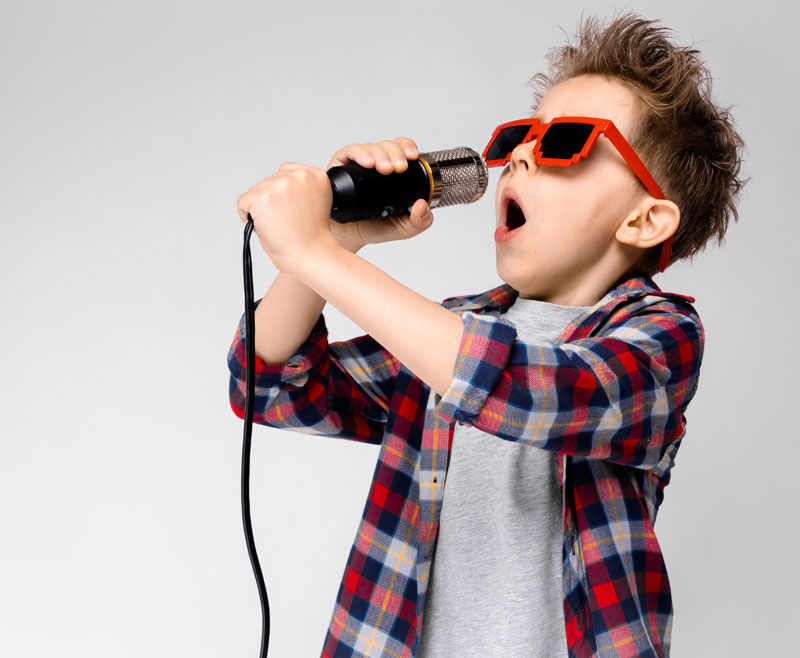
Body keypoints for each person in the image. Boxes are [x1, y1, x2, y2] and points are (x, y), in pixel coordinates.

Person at [227, 11, 746, 658]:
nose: (522, 155)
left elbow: (533, 391)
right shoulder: (449, 332)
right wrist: (335, 242)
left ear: (644, 221)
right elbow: (269, 388)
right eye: (523, 135)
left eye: (566, 143)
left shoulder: (661, 338)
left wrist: (317, 256)